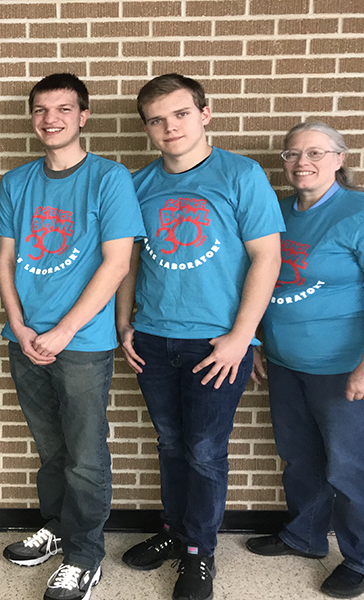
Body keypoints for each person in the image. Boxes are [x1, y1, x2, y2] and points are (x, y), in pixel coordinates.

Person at [115, 74, 283, 600]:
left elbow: (267, 256)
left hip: (217, 345)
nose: (170, 127)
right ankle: (174, 531)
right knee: (169, 443)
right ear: (147, 129)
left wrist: (242, 336)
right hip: (153, 339)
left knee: (206, 450)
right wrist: (126, 324)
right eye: (157, 120)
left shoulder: (241, 174)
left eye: (180, 114)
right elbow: (129, 262)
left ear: (205, 114)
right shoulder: (137, 184)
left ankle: (199, 553)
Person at [245, 122, 364, 599]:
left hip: (347, 368)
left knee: (352, 466)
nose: (303, 162)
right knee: (300, 458)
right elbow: (258, 280)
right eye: (292, 153)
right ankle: (305, 536)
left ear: (340, 159)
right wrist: (256, 343)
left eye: (316, 152)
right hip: (285, 363)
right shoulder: (277, 213)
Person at [0, 73, 145, 600]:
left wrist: (63, 330)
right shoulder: (16, 182)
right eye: (40, 110)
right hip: (26, 339)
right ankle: (57, 527)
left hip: (81, 343)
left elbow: (118, 261)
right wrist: (17, 323)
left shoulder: (110, 178)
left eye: (63, 109)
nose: (50, 119)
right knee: (50, 447)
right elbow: (7, 259)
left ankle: (85, 555)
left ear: (83, 116)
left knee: (84, 452)